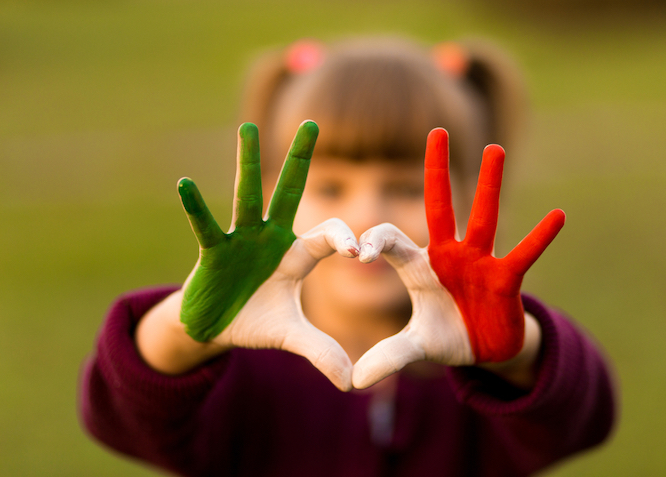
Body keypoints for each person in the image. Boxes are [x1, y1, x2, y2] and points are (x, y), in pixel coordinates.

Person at [79, 37, 617, 476]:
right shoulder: (240, 369)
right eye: (332, 188)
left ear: (470, 198)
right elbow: (123, 422)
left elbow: (581, 423)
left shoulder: (479, 371)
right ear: (272, 195)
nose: (368, 215)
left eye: (408, 189)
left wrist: (518, 351)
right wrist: (180, 332)